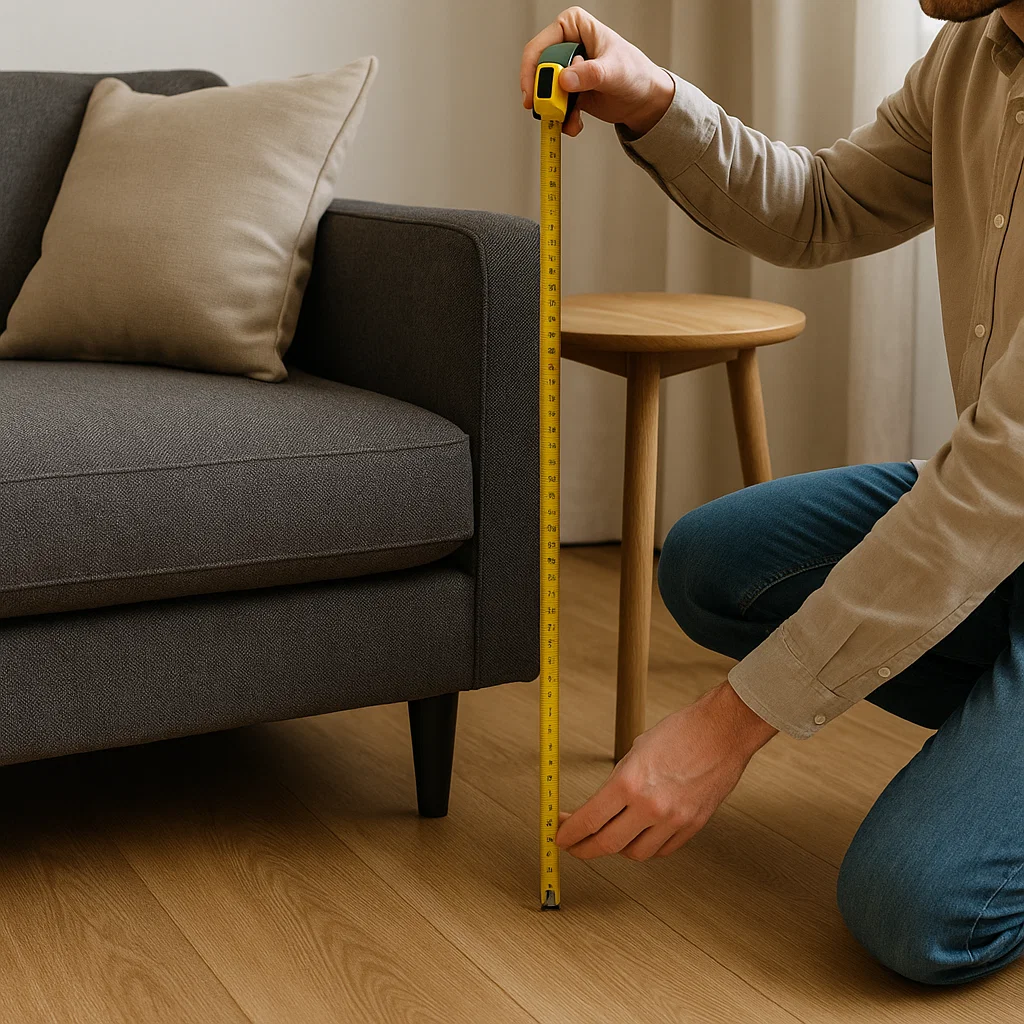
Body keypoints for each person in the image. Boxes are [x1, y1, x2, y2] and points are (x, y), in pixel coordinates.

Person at [521, 2, 1024, 987]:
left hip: (996, 499)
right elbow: (822, 201)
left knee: (912, 906)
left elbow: (992, 485)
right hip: (998, 515)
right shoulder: (970, 53)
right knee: (713, 564)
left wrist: (725, 724)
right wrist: (652, 101)